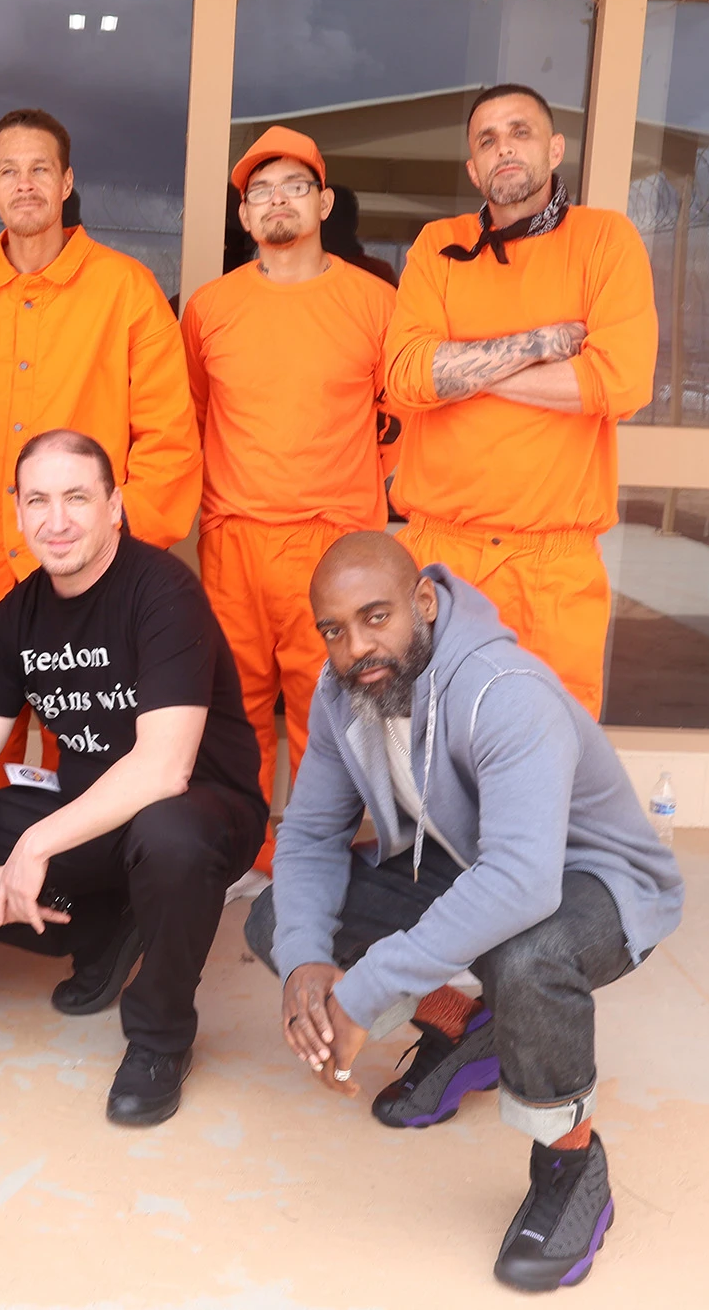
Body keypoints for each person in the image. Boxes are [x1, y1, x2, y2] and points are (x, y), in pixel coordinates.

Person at [244, 532, 682, 1292]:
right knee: (282, 918)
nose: (356, 646)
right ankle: (465, 1024)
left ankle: (571, 1163)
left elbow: (522, 882)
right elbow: (312, 833)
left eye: (375, 616)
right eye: (335, 629)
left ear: (421, 604)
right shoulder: (343, 688)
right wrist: (311, 962)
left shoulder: (503, 689)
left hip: (594, 882)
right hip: (471, 863)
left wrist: (364, 989)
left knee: (527, 959)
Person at [0, 431, 265, 1128]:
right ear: (19, 511)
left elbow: (164, 767)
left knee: (167, 834)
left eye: (76, 498)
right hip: (92, 811)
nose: (55, 520)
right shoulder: (19, 615)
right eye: (38, 500)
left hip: (201, 809)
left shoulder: (162, 591)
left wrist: (33, 848)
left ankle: (159, 1035)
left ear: (114, 506)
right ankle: (103, 920)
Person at [383, 84, 656, 717]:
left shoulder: (603, 241)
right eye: (487, 140)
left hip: (552, 567)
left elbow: (619, 382)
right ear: (474, 168)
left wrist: (465, 370)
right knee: (433, 745)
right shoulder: (437, 246)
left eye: (520, 132)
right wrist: (536, 345)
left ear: (555, 148)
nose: (504, 147)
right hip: (442, 560)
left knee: (549, 752)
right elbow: (404, 375)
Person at [182, 126, 399, 888]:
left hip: (332, 543)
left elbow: (398, 419)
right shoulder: (209, 308)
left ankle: (313, 857)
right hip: (235, 535)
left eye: (294, 187)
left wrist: (356, 500)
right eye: (260, 192)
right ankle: (248, 851)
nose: (277, 202)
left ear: (324, 202)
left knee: (329, 707)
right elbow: (197, 415)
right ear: (244, 217)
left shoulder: (375, 302)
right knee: (236, 707)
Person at [0, 107, 199, 624]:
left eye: (40, 169)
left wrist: (107, 548)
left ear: (66, 182)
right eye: (9, 172)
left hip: (90, 582)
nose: (25, 184)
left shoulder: (128, 290)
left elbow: (169, 442)